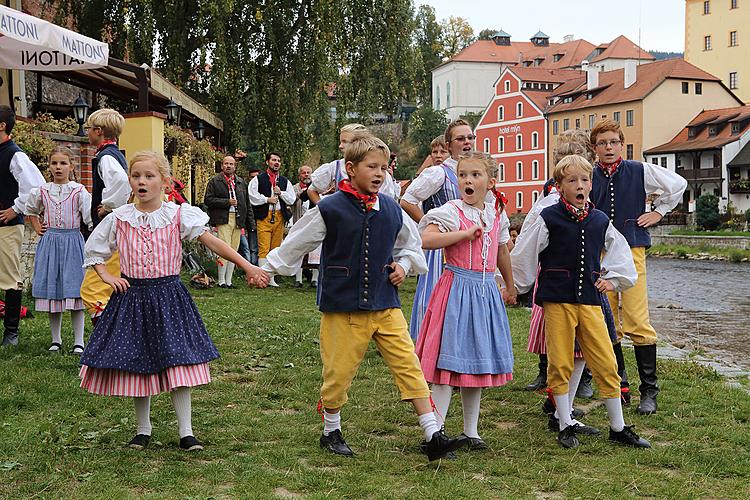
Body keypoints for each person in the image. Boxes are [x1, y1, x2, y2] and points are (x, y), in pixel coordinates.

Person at [262, 135, 466, 461]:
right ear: (351, 168)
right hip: (343, 306)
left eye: (384, 168)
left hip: (386, 304)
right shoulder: (329, 208)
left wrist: (403, 265)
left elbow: (412, 247)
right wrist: (267, 269)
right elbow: (296, 242)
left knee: (408, 365)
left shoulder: (390, 209)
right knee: (338, 372)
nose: (379, 173)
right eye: (372, 167)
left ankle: (433, 434)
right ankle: (331, 431)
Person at [79, 151, 269, 451]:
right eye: (136, 176)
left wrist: (248, 266)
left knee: (178, 362)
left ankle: (186, 431)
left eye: (149, 176)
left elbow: (213, 241)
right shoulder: (120, 218)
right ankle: (143, 429)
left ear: (165, 183)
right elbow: (95, 250)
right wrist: (106, 276)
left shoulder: (178, 214)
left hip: (169, 298)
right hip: (133, 299)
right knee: (138, 362)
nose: (142, 181)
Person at [512, 154, 650, 449]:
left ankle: (618, 426)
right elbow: (525, 253)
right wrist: (516, 285)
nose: (580, 185)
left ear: (591, 183)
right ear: (560, 186)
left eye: (585, 180)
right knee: (560, 361)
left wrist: (612, 280)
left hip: (590, 300)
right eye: (572, 180)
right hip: (558, 300)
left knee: (605, 360)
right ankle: (564, 423)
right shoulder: (548, 217)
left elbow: (620, 253)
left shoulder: (600, 220)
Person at [415, 152, 516, 450]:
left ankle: (471, 432)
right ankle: (436, 432)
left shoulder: (496, 212)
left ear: (491, 182)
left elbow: (502, 252)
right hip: (456, 290)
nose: (468, 180)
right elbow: (426, 239)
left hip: (485, 294)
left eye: (475, 175)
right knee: (448, 364)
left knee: (476, 366)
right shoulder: (451, 210)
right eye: (463, 175)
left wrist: (510, 286)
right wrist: (462, 234)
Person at [590, 119, 687, 415]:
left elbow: (678, 184)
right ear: (595, 148)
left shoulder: (639, 170)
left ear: (621, 144)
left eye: (614, 142)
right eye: (603, 143)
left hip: (632, 247)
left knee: (636, 318)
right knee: (607, 321)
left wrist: (658, 212)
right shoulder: (589, 175)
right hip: (601, 252)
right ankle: (620, 386)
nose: (609, 147)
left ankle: (650, 391)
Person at [400, 119, 475, 341]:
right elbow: (408, 200)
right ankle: (429, 345)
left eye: (470, 137)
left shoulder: (478, 171)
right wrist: (431, 225)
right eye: (461, 139)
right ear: (450, 145)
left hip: (469, 248)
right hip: (441, 251)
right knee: (435, 298)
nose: (467, 142)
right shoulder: (439, 173)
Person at [25, 147, 92, 354]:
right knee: (53, 292)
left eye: (63, 163)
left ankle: (79, 341)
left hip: (73, 242)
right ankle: (56, 340)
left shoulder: (79, 191)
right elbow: (30, 210)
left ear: (71, 166)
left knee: (75, 290)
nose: (58, 167)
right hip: (50, 242)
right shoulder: (42, 190)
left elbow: (89, 219)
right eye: (54, 163)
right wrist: (37, 227)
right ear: (49, 166)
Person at [78, 108, 130, 325]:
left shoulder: (105, 157)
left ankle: (108, 337)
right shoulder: (114, 154)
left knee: (92, 290)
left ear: (98, 131)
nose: (87, 133)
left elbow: (120, 182)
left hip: (111, 231)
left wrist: (107, 206)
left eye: (89, 129)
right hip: (116, 230)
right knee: (107, 287)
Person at [0, 105, 45, 346]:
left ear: (2, 126)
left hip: (6, 227)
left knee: (9, 278)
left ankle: (11, 333)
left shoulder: (14, 154)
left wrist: (15, 208)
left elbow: (35, 186)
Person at [306, 124, 400, 204]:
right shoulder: (335, 167)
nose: (340, 146)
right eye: (340, 142)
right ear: (349, 169)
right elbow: (312, 190)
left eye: (345, 142)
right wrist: (325, 211)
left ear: (359, 143)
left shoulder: (381, 174)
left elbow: (388, 202)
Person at [248, 152, 296, 287]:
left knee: (275, 248)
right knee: (263, 247)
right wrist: (266, 199)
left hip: (280, 216)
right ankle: (262, 278)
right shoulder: (258, 179)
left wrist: (281, 193)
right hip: (265, 216)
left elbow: (291, 199)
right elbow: (252, 196)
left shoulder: (285, 181)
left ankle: (271, 278)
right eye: (274, 160)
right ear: (267, 162)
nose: (276, 163)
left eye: (278, 161)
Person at [204, 155, 250, 288]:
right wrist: (226, 202)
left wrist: (249, 223)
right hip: (223, 218)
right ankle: (221, 280)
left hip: (238, 218)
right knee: (224, 248)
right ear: (222, 165)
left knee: (234, 250)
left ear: (235, 166)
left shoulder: (240, 182)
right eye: (226, 164)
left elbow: (247, 204)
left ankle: (229, 281)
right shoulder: (215, 181)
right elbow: (208, 200)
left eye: (231, 164)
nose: (228, 166)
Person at [291, 164, 319, 288]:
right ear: (299, 175)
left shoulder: (318, 188)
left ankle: (315, 279)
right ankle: (298, 279)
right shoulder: (294, 188)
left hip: (314, 223)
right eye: (304, 173)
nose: (306, 175)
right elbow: (292, 201)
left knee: (315, 249)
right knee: (299, 248)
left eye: (308, 172)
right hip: (299, 222)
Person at [238, 164, 260, 266]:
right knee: (251, 247)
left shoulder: (262, 190)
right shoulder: (244, 189)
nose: (254, 179)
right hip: (248, 222)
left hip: (262, 220)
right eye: (252, 177)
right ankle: (250, 267)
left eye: (256, 177)